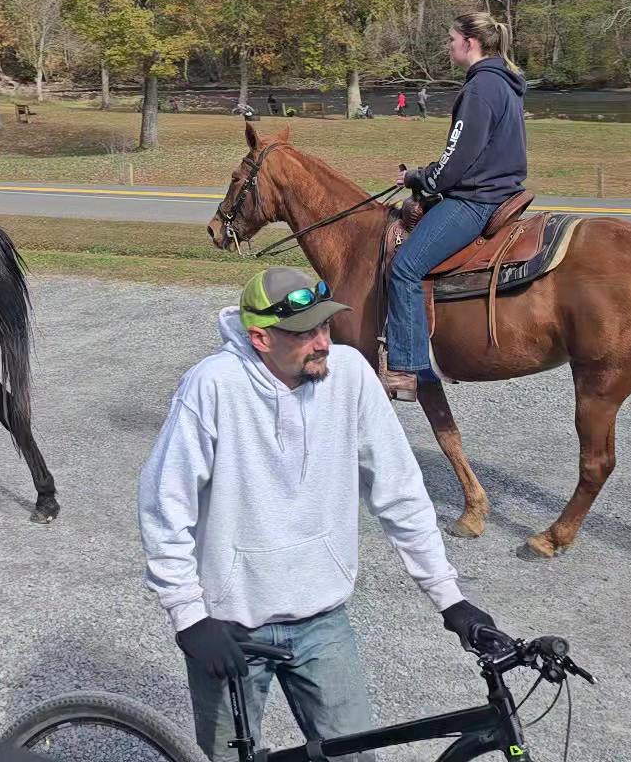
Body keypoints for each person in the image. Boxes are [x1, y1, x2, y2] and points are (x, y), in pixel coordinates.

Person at [138, 267, 501, 762]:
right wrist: (189, 617)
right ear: (261, 338)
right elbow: (165, 503)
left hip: (322, 621)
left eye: (325, 325)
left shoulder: (350, 374)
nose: (323, 342)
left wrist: (448, 597)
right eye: (304, 332)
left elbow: (399, 490)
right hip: (229, 625)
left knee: (356, 756)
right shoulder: (212, 386)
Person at [382, 12, 526, 403]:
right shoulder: (504, 82)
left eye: (451, 39)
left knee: (405, 268)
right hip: (500, 190)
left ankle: (406, 369)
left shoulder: (480, 89)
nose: (447, 46)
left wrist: (420, 178)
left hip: (477, 200)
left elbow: (456, 159)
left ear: (469, 42)